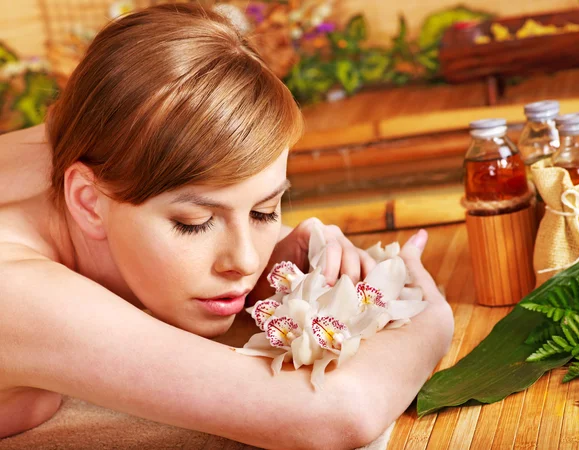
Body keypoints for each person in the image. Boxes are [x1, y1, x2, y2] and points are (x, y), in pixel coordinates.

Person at [0, 4, 454, 449]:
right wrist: (432, 323)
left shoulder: (89, 131)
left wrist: (281, 243)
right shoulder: (15, 290)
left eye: (264, 210)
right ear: (87, 200)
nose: (246, 260)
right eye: (194, 223)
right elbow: (337, 411)